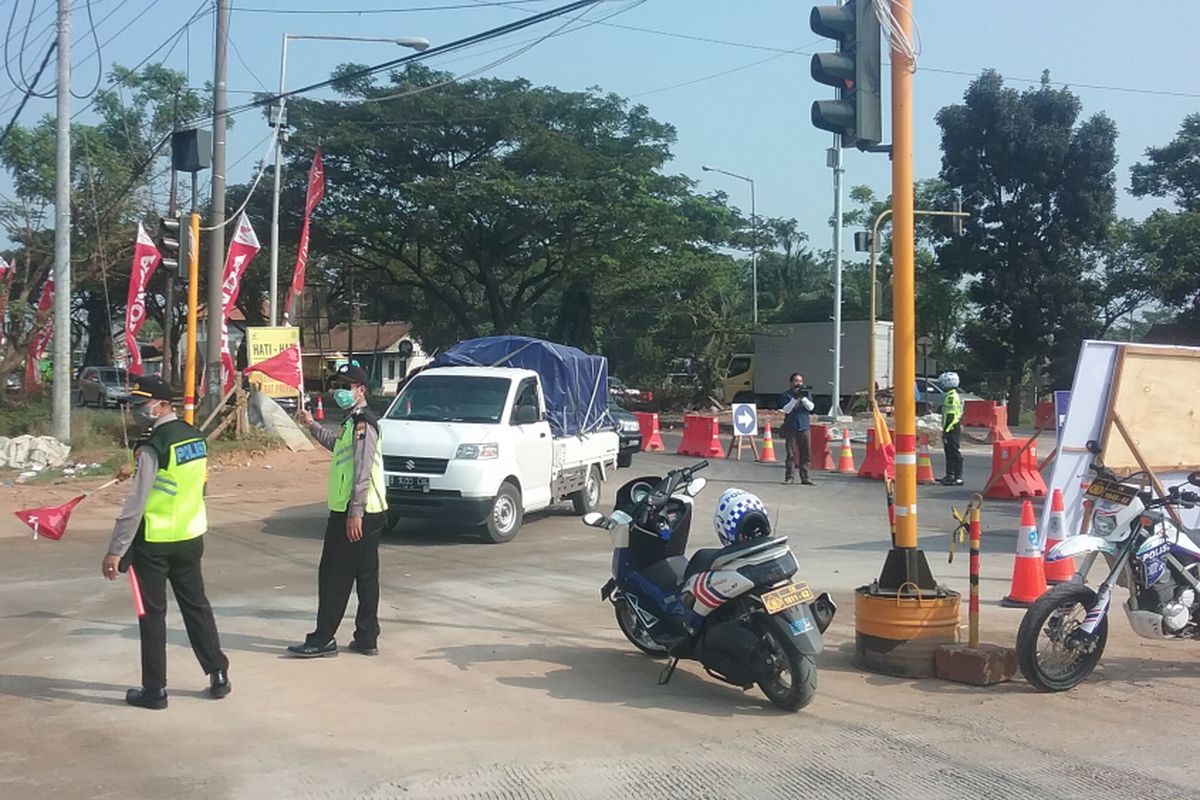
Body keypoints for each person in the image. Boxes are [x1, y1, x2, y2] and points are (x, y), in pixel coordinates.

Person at [101, 376, 229, 710]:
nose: (136, 409)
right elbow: (191, 484)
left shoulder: (152, 445)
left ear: (162, 405)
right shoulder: (196, 438)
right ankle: (218, 674)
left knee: (152, 616)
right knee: (197, 607)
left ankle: (154, 691)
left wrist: (116, 549)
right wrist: (134, 467)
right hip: (190, 537)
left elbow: (137, 503)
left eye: (142, 403)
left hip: (154, 543)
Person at [288, 363, 389, 658]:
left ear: (360, 390)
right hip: (368, 509)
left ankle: (323, 638)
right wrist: (312, 425)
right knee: (365, 575)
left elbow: (362, 470)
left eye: (346, 387)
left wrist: (354, 512)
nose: (340, 392)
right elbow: (337, 446)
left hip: (357, 511)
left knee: (334, 575)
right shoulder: (352, 421)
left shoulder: (364, 424)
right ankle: (367, 636)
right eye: (338, 386)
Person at [779, 372, 816, 486]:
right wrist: (794, 399)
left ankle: (805, 477)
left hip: (804, 427)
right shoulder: (786, 395)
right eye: (796, 381)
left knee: (806, 454)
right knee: (791, 454)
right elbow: (786, 410)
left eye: (800, 381)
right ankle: (789, 477)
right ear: (791, 383)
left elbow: (811, 407)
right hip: (792, 428)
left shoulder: (806, 394)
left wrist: (803, 398)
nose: (798, 383)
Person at [938, 371, 964, 486]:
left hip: (952, 427)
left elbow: (951, 416)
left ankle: (958, 477)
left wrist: (946, 430)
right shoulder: (949, 395)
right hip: (950, 427)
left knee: (954, 452)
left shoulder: (951, 397)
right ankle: (949, 475)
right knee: (948, 452)